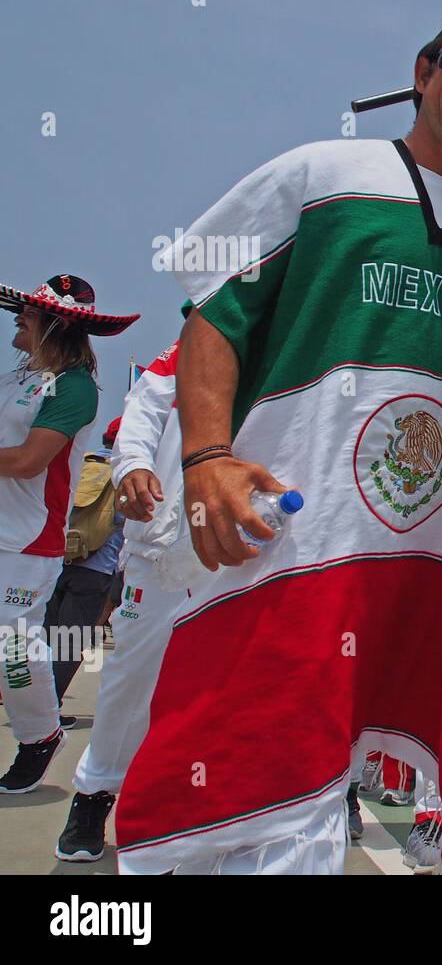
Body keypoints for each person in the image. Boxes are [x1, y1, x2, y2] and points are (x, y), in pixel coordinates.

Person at [113, 13, 442, 875]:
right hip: (286, 527)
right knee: (237, 747)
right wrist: (204, 456)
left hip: (416, 568)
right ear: (424, 71)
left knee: (330, 776)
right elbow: (216, 314)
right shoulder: (322, 174)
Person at [54, 335, 190, 861]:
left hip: (256, 554)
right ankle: (93, 796)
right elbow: (146, 406)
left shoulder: (313, 330)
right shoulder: (199, 337)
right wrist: (132, 461)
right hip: (164, 547)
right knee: (131, 683)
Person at [0, 275, 136, 794]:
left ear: (55, 324)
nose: (18, 317)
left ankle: (39, 736)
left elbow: (32, 460)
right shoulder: (12, 382)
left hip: (28, 537)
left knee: (14, 648)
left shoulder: (75, 388)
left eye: (29, 312)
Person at [44, 418, 125, 716]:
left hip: (57, 559)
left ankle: (26, 705)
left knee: (46, 637)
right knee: (70, 641)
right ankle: (48, 712)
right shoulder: (125, 476)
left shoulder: (80, 465)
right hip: (95, 570)